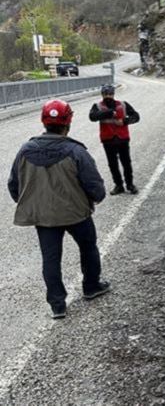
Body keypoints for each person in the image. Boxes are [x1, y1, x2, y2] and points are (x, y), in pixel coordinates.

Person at [7, 99, 111, 319]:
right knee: (88, 247)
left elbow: (14, 185)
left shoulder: (25, 150)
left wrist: (33, 203)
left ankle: (57, 305)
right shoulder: (75, 150)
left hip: (43, 217)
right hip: (76, 213)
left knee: (50, 258)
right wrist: (97, 197)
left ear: (44, 121)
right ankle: (91, 286)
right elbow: (94, 185)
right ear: (68, 121)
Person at [89, 84, 140, 195]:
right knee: (113, 164)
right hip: (108, 139)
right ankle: (119, 185)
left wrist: (126, 121)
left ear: (114, 94)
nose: (108, 96)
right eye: (105, 94)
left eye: (110, 94)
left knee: (126, 163)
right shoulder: (97, 106)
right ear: (102, 94)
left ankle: (130, 184)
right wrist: (109, 113)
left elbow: (136, 116)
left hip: (122, 139)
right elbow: (92, 117)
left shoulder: (123, 104)